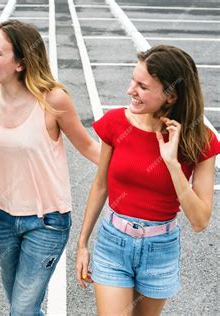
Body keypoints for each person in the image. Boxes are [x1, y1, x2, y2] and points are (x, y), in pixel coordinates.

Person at [0, 20, 100, 315]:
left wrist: (138, 168)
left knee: (22, 310)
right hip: (1, 217)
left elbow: (89, 147)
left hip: (46, 221)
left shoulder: (53, 99)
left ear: (21, 63)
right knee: (21, 306)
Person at [75, 45, 219, 315]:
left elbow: (200, 221)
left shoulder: (201, 141)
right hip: (113, 242)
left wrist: (172, 164)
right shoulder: (115, 122)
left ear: (171, 96)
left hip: (160, 250)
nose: (131, 90)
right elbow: (100, 185)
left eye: (142, 86)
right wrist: (82, 244)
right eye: (133, 80)